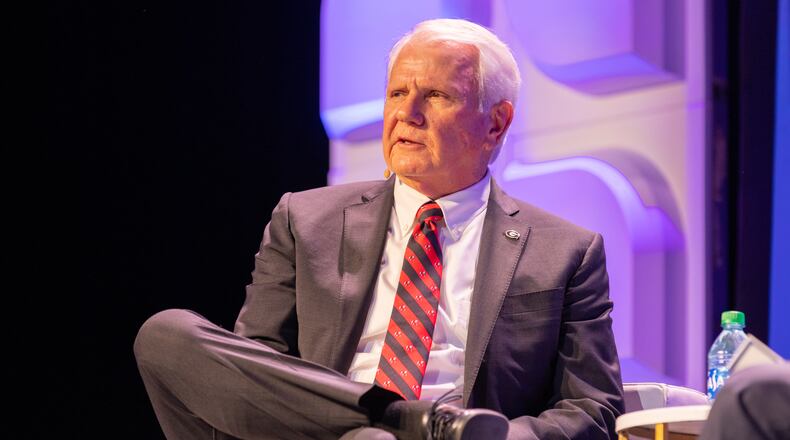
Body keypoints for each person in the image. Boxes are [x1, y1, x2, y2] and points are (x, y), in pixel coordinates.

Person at [134, 18, 624, 440]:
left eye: (435, 96)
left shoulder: (565, 251)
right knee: (165, 334)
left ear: (495, 124)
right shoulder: (305, 219)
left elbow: (594, 407)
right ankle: (404, 419)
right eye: (397, 93)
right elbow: (257, 368)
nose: (406, 114)